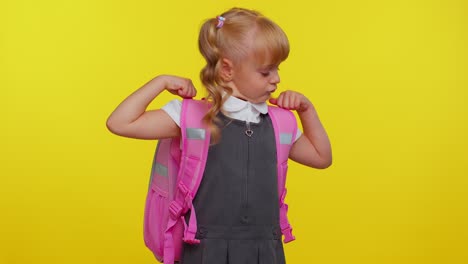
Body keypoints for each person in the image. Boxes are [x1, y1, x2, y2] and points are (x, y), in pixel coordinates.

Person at [107, 7, 332, 264]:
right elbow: (120, 123)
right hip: (204, 251)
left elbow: (321, 157)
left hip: (266, 250)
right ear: (227, 69)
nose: (277, 79)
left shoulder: (280, 122)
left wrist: (307, 111)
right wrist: (159, 82)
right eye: (266, 71)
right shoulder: (191, 116)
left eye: (278, 69)